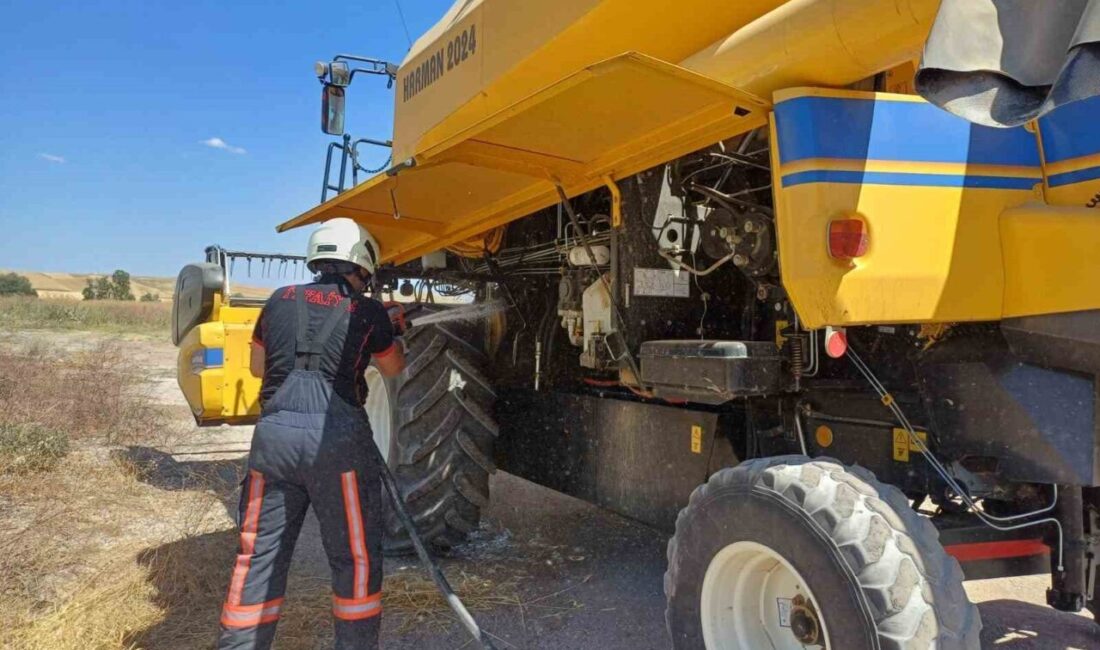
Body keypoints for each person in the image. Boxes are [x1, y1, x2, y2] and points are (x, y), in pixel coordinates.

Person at [217, 218, 405, 650]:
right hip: (335, 447)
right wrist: (391, 332)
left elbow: (259, 368)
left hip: (273, 444)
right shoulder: (369, 311)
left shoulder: (279, 300)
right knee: (354, 559)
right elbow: (394, 369)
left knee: (258, 556)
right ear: (360, 265)